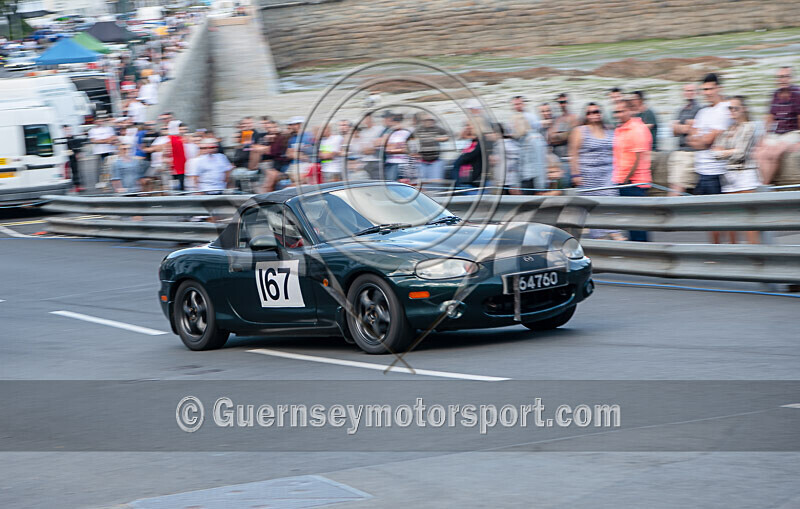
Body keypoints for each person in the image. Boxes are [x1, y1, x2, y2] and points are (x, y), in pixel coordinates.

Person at [688, 73, 732, 244]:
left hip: (717, 171)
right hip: (701, 170)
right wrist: (701, 138)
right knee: (709, 218)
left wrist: (701, 137)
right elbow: (691, 140)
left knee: (721, 217)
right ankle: (716, 251)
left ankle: (727, 252)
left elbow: (707, 140)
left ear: (718, 88)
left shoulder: (725, 109)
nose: (706, 92)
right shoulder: (702, 111)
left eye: (710, 89)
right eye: (704, 89)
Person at [711, 95, 762, 244]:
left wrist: (725, 151)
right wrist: (728, 151)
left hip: (745, 176)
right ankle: (735, 254)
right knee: (731, 221)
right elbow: (715, 153)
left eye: (735, 108)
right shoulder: (728, 129)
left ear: (743, 109)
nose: (732, 111)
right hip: (729, 178)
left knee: (749, 220)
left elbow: (741, 153)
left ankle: (754, 255)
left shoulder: (750, 126)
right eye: (730, 108)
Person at [569, 103, 623, 239]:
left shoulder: (609, 130)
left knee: (611, 201)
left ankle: (615, 233)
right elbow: (573, 154)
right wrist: (575, 174)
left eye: (596, 111)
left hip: (608, 172)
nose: (594, 114)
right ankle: (600, 239)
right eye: (590, 112)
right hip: (588, 174)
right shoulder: (580, 131)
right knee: (594, 207)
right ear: (586, 115)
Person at [612, 99, 653, 242]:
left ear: (630, 110)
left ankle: (644, 254)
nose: (619, 114)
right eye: (616, 111)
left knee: (638, 225)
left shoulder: (637, 129)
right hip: (624, 181)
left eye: (622, 111)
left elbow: (638, 158)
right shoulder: (621, 129)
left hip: (634, 183)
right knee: (631, 224)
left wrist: (625, 180)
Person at [753, 66, 800, 184]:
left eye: (785, 76)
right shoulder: (775, 95)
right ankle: (766, 184)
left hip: (792, 132)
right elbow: (770, 118)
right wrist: (763, 137)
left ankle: (765, 185)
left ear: (790, 78)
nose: (782, 80)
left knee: (775, 152)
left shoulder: (797, 94)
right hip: (777, 133)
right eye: (780, 77)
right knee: (759, 153)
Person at [669, 83, 702, 194]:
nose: (689, 93)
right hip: (679, 151)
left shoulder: (699, 109)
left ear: (697, 93)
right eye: (687, 91)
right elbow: (673, 131)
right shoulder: (681, 110)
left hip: (690, 152)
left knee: (677, 186)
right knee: (674, 183)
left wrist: (680, 126)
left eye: (691, 91)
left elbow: (695, 129)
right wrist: (684, 127)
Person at [511, 98, 547, 193]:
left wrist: (541, 186)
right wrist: (516, 184)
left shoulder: (534, 139)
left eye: (514, 124)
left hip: (533, 181)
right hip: (525, 180)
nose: (513, 127)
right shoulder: (522, 140)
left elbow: (540, 162)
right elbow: (520, 164)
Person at [547, 93, 577, 183]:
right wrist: (563, 135)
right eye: (560, 102)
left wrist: (557, 135)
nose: (563, 104)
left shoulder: (574, 118)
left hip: (569, 160)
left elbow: (571, 136)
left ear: (569, 103)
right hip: (557, 161)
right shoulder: (556, 119)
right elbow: (550, 138)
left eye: (564, 102)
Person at [412, 116, 449, 181]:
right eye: (427, 120)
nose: (429, 122)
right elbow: (410, 139)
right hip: (422, 162)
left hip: (435, 161)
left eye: (431, 120)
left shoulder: (437, 128)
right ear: (423, 121)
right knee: (422, 184)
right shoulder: (419, 129)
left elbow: (448, 136)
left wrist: (438, 139)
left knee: (435, 184)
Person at [384, 114, 411, 181]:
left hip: (402, 162)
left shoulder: (406, 132)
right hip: (390, 162)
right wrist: (396, 146)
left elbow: (408, 148)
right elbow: (386, 147)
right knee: (390, 183)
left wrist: (393, 148)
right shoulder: (390, 133)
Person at [63, 126, 86, 192]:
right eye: (66, 129)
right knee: (68, 173)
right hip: (67, 157)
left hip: (72, 157)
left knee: (76, 171)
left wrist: (77, 153)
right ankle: (73, 186)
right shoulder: (63, 138)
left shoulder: (72, 137)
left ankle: (78, 185)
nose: (68, 131)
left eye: (69, 129)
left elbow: (76, 146)